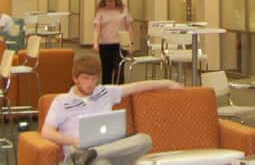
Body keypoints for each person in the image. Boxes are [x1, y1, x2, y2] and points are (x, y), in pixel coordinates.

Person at [41, 50, 180, 165]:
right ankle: (88, 155)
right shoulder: (62, 102)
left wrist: (168, 83)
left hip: (109, 149)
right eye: (85, 79)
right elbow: (46, 132)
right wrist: (75, 141)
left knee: (145, 140)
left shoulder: (104, 92)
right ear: (75, 78)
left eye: (94, 79)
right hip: (77, 157)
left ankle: (93, 153)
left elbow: (137, 86)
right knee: (102, 163)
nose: (90, 84)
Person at [91, 0, 132, 85]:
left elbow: (129, 27)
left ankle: (120, 92)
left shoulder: (123, 9)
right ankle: (106, 91)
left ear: (116, 0)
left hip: (120, 44)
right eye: (107, 2)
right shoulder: (101, 11)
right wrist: (95, 43)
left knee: (119, 69)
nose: (110, 4)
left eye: (112, 2)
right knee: (106, 70)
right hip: (105, 44)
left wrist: (130, 43)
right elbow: (97, 28)